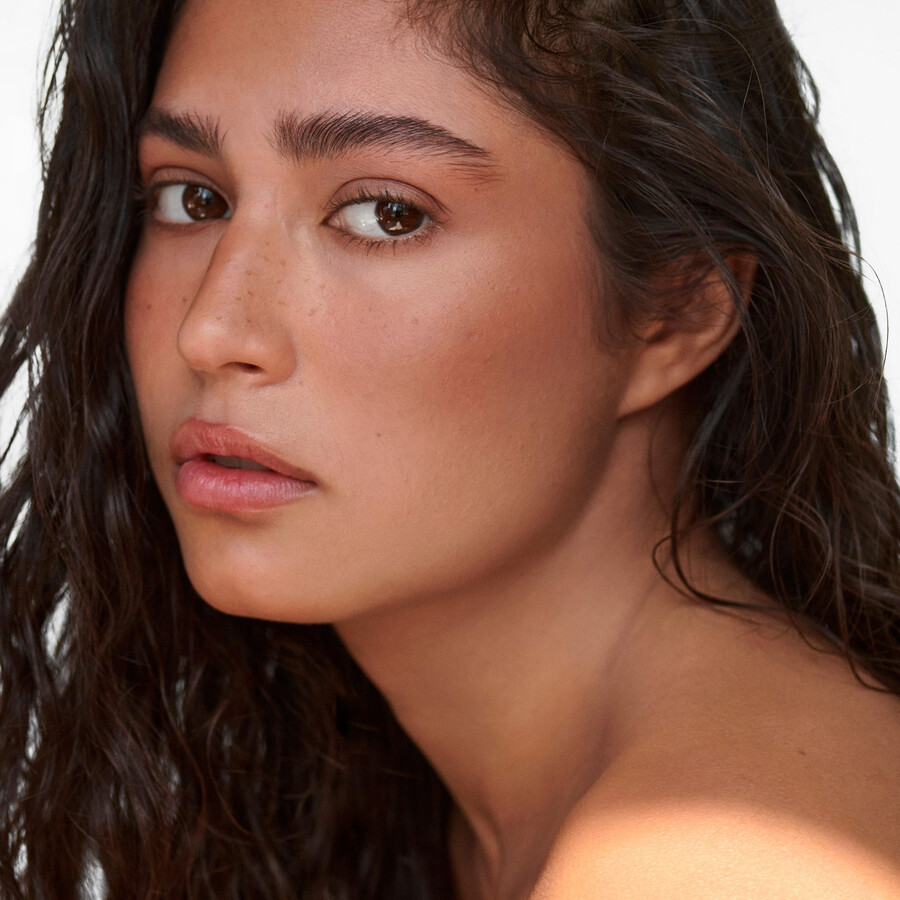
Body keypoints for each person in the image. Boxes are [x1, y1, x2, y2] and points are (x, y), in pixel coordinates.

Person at [2, 0, 900, 896]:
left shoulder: (719, 865)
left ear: (679, 311)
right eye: (192, 199)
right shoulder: (446, 814)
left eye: (386, 214)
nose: (211, 330)